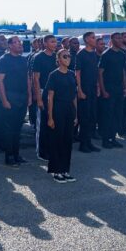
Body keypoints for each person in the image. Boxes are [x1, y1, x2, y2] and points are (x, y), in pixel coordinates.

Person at [0, 36, 31, 167]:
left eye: (19, 42)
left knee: (17, 129)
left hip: (22, 98)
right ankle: (9, 156)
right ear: (10, 46)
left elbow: (27, 78)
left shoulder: (23, 60)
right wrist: (4, 100)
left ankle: (16, 154)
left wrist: (29, 95)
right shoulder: (4, 60)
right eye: (15, 42)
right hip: (10, 98)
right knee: (9, 129)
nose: (19, 44)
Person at [45, 49, 78, 183]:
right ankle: (56, 171)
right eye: (65, 56)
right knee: (57, 140)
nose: (68, 58)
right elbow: (50, 97)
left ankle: (65, 170)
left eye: (69, 56)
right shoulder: (54, 75)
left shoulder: (71, 74)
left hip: (70, 109)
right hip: (58, 108)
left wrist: (76, 114)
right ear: (58, 59)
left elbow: (74, 95)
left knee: (67, 141)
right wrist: (50, 117)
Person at [98, 32, 126, 148]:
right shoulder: (106, 54)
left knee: (117, 115)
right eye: (117, 38)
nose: (120, 40)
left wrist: (125, 87)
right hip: (108, 89)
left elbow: (123, 71)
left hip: (119, 89)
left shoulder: (122, 54)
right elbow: (100, 73)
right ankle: (105, 140)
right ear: (112, 39)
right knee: (107, 116)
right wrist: (103, 90)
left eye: (121, 38)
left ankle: (113, 138)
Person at [32, 35, 58, 160]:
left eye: (55, 41)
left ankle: (52, 148)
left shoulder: (56, 57)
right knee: (42, 123)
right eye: (52, 42)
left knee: (54, 122)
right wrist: (39, 98)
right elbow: (35, 79)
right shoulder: (39, 57)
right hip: (43, 92)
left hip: (56, 93)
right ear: (45, 43)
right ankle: (41, 152)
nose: (55, 44)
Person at [75, 32, 100, 153]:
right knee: (84, 117)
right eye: (93, 38)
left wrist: (98, 87)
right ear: (86, 40)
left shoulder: (94, 54)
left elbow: (96, 73)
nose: (95, 40)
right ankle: (83, 144)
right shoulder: (81, 54)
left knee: (92, 116)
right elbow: (77, 73)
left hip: (93, 89)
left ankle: (89, 142)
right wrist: (79, 90)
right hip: (84, 89)